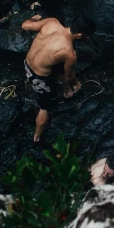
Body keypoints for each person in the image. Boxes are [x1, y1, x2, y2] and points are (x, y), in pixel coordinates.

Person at [22, 14, 96, 142]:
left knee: (60, 63)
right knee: (45, 107)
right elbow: (69, 75)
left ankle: (66, 89)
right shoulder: (70, 53)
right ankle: (37, 137)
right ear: (79, 35)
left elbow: (24, 25)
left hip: (27, 63)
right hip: (37, 77)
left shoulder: (52, 22)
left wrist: (34, 19)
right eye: (86, 36)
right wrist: (76, 83)